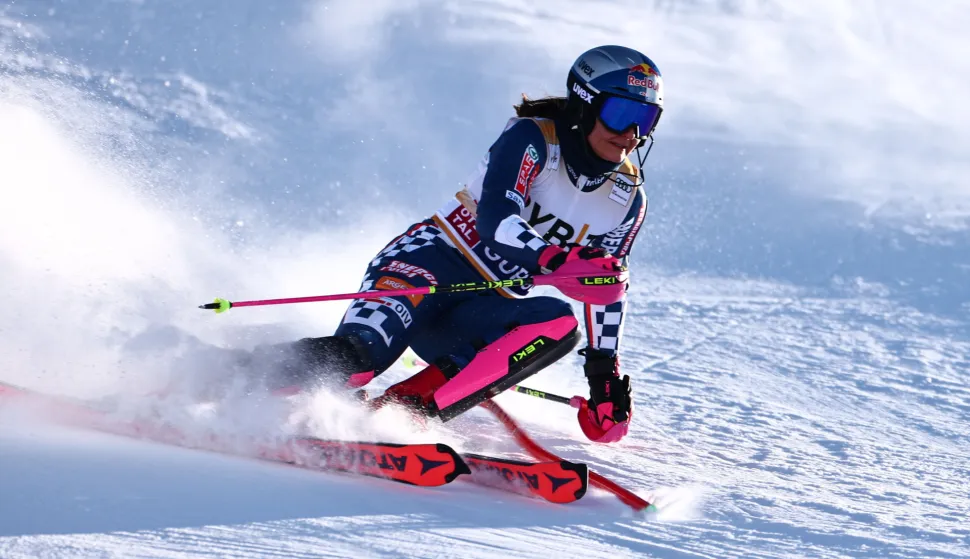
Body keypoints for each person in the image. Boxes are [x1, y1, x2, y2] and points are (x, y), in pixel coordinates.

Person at [247, 45, 663, 443]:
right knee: (358, 361)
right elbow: (496, 221)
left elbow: (606, 289)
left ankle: (407, 410)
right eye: (620, 113)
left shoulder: (627, 200)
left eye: (645, 120)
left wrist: (604, 379)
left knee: (558, 322)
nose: (630, 134)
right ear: (584, 104)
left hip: (477, 310)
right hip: (426, 267)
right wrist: (555, 258)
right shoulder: (533, 140)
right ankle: (215, 374)